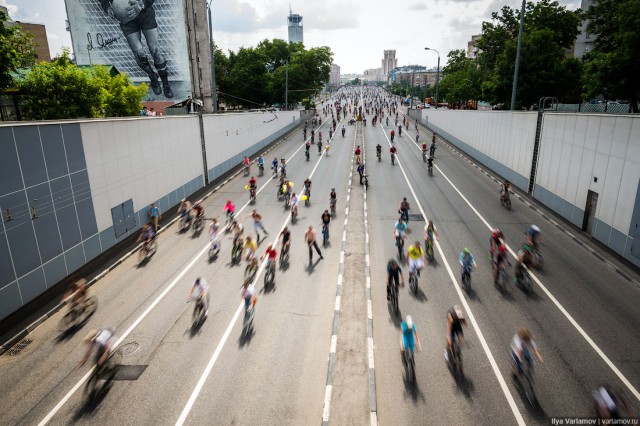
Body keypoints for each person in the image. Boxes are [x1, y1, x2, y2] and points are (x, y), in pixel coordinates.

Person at [100, 0, 174, 98]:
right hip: (126, 18)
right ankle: (152, 75)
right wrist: (107, 7)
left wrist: (142, 3)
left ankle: (166, 84)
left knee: (155, 51)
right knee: (140, 56)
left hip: (145, 13)